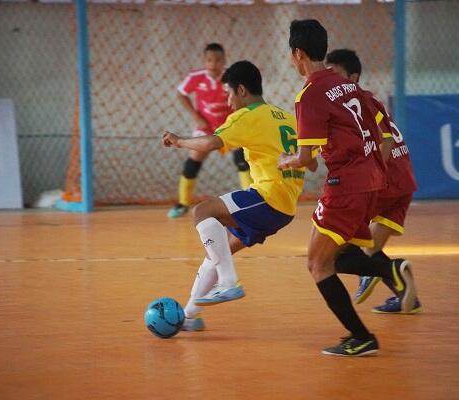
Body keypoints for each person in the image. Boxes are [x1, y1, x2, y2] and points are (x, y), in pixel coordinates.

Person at [278, 19, 418, 357]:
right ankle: (390, 269)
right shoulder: (350, 86)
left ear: (298, 53)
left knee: (317, 264)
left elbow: (305, 157)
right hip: (372, 182)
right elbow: (384, 129)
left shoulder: (309, 95)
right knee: (338, 256)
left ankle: (361, 336)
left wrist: (286, 161)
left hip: (346, 186)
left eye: (290, 55)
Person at [162, 60, 315, 331]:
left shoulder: (246, 116)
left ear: (242, 90)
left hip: (268, 197)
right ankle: (189, 316)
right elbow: (311, 161)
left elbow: (210, 143)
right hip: (285, 206)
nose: (229, 102)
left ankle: (229, 282)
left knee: (202, 212)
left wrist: (179, 141)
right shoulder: (287, 117)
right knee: (217, 252)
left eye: (229, 94)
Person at [325, 49, 421, 314]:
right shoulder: (369, 100)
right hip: (404, 181)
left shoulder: (351, 104)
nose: (330, 81)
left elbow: (380, 144)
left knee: (337, 251)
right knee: (368, 247)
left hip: (384, 182)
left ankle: (372, 272)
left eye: (336, 75)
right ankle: (405, 294)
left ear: (353, 77)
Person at [168, 43, 253, 218]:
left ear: (224, 61)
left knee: (242, 159)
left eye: (218, 60)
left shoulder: (232, 76)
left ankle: (251, 201)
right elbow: (181, 93)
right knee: (193, 160)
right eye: (209, 60)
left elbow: (245, 96)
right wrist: (195, 115)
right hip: (205, 127)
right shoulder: (196, 77)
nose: (214, 64)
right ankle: (183, 203)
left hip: (229, 125)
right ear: (204, 61)